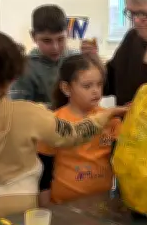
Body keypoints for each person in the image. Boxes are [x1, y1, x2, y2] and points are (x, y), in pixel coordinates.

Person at [0, 28, 125, 225]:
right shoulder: (30, 114)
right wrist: (105, 115)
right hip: (20, 207)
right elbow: (73, 134)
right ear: (10, 73)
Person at [37, 55, 122, 205]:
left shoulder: (112, 120)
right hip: (63, 206)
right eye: (87, 86)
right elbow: (44, 174)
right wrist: (46, 210)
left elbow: (122, 164)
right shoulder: (53, 121)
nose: (96, 91)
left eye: (99, 84)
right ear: (66, 88)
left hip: (102, 204)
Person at [10, 5, 76, 105]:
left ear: (68, 32)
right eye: (47, 41)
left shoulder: (77, 59)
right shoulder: (25, 67)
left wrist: (92, 59)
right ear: (33, 36)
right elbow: (20, 108)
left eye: (61, 39)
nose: (55, 47)